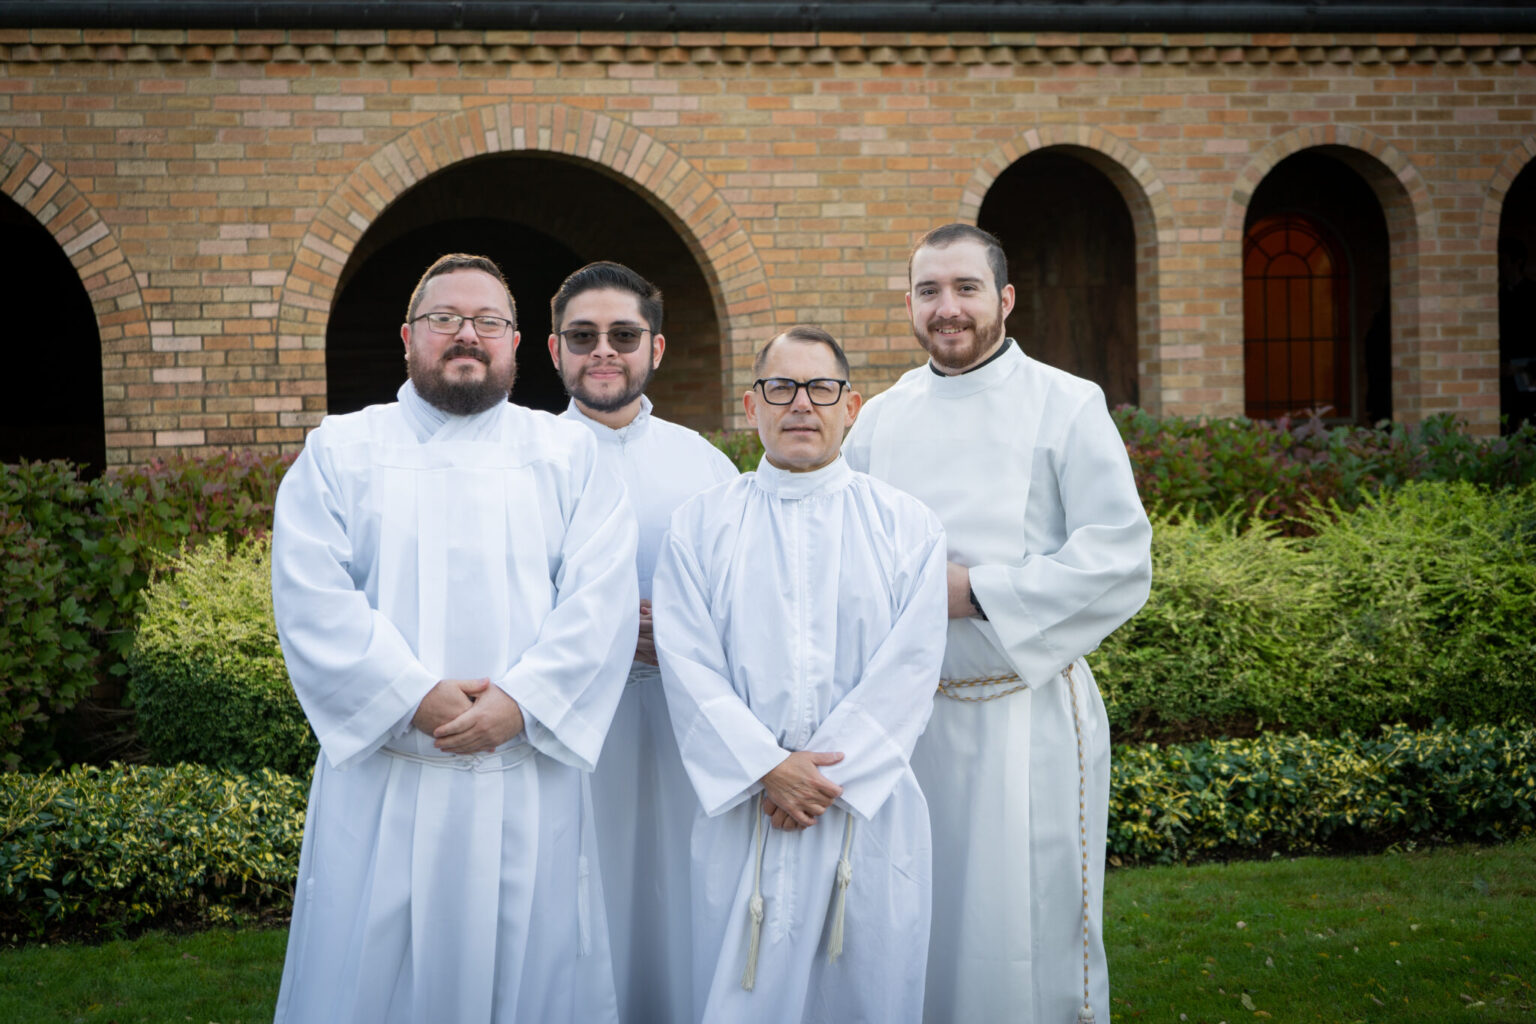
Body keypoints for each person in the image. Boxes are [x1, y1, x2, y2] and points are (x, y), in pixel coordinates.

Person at [270, 253, 639, 1024]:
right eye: (445, 320)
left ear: (515, 343)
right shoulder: (340, 450)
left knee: (533, 967)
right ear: (408, 337)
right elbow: (311, 596)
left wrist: (522, 703)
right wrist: (411, 696)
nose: (466, 335)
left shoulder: (570, 456)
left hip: (524, 767)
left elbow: (599, 603)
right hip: (392, 769)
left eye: (489, 322)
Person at [844, 224, 1153, 1024]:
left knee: (1027, 928)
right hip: (912, 725)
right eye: (928, 291)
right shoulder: (880, 419)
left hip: (1027, 711)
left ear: (1004, 298)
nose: (947, 309)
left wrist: (974, 591)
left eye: (966, 288)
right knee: (924, 922)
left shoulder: (1066, 402)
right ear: (910, 304)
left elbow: (1120, 557)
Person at [653, 325, 948, 1024]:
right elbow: (688, 664)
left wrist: (814, 779)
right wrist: (765, 766)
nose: (801, 405)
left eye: (821, 389)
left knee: (866, 991)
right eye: (780, 388)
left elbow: (910, 668)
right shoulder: (699, 527)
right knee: (741, 994)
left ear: (852, 407)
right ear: (751, 406)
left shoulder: (907, 527)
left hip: (862, 811)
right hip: (746, 809)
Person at [548, 260, 738, 1024]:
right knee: (582, 903)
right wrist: (604, 630)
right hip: (571, 732)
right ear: (554, 350)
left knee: (684, 898)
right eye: (583, 336)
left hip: (685, 725)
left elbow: (749, 596)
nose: (603, 351)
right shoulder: (522, 460)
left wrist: (688, 632)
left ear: (655, 349)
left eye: (623, 335)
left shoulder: (707, 466)